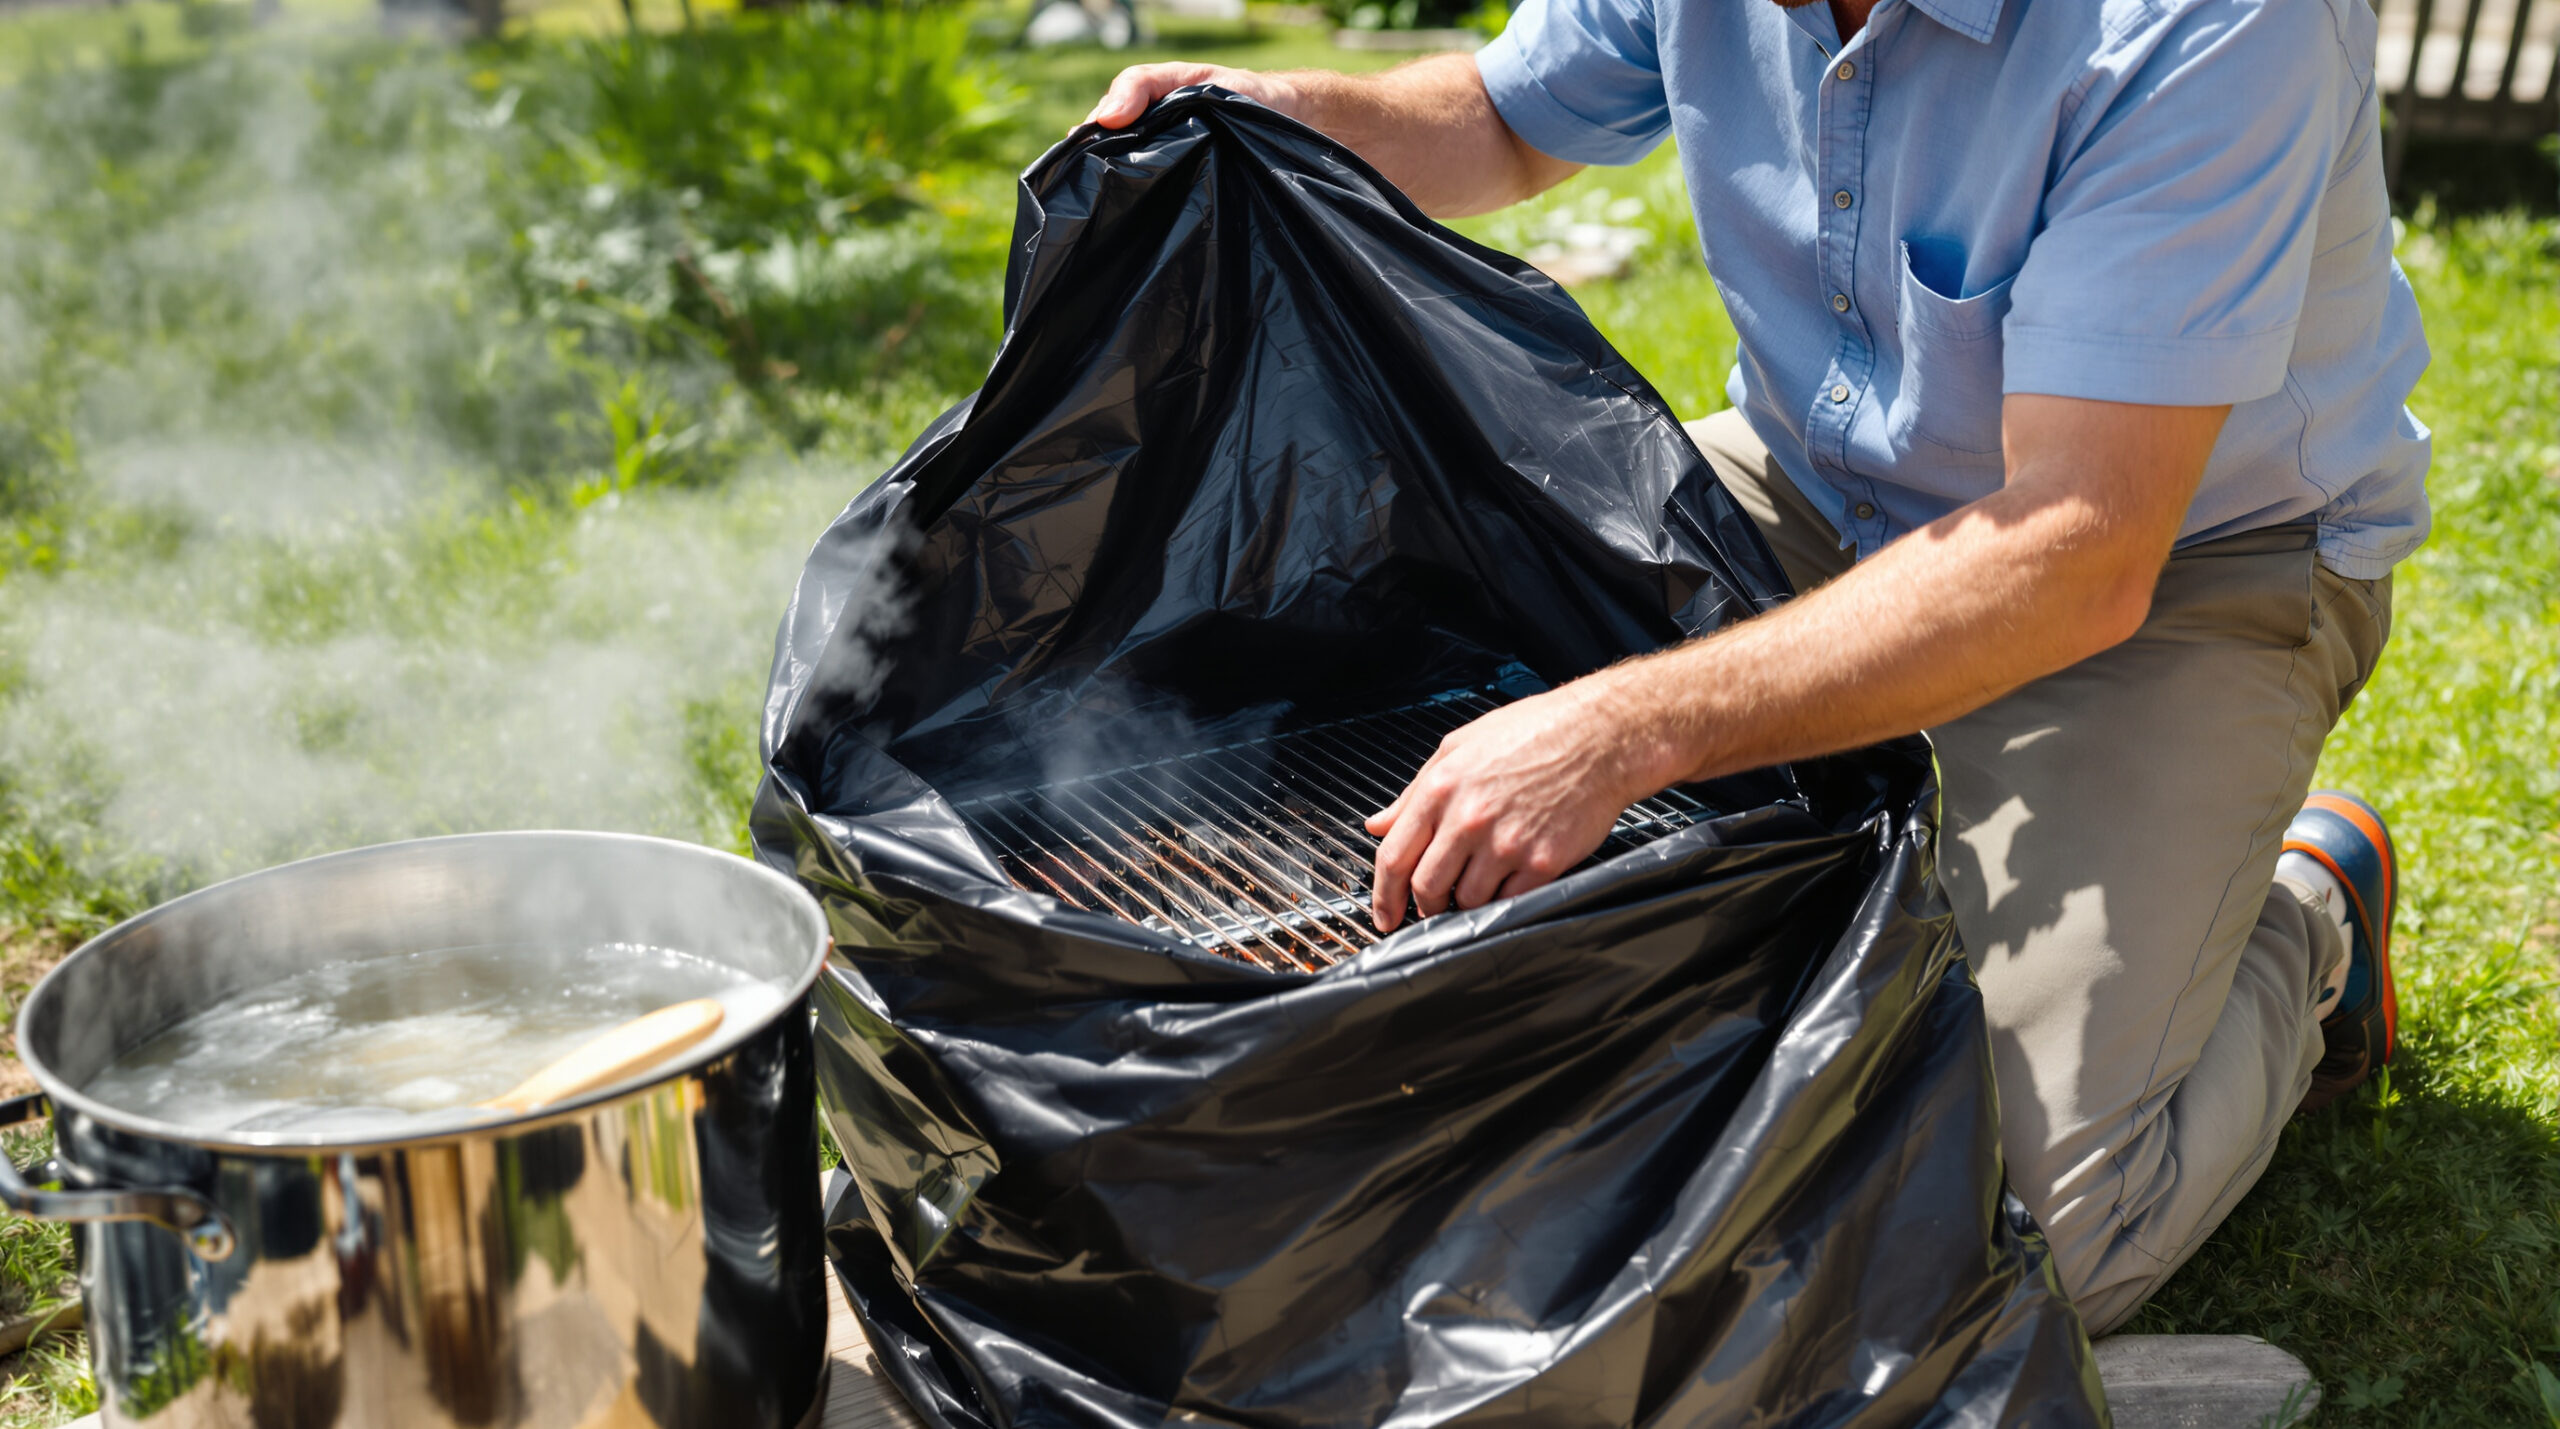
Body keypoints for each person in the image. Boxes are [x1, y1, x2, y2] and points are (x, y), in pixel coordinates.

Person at [1085, 0, 2427, 1335]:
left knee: (2009, 1240)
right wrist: (1294, 118)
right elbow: (1502, 117)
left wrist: (1621, 727)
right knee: (1383, 619)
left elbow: (2082, 545)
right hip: (1806, 494)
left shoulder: (2216, 24)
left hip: (2172, 568)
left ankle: (2308, 916)